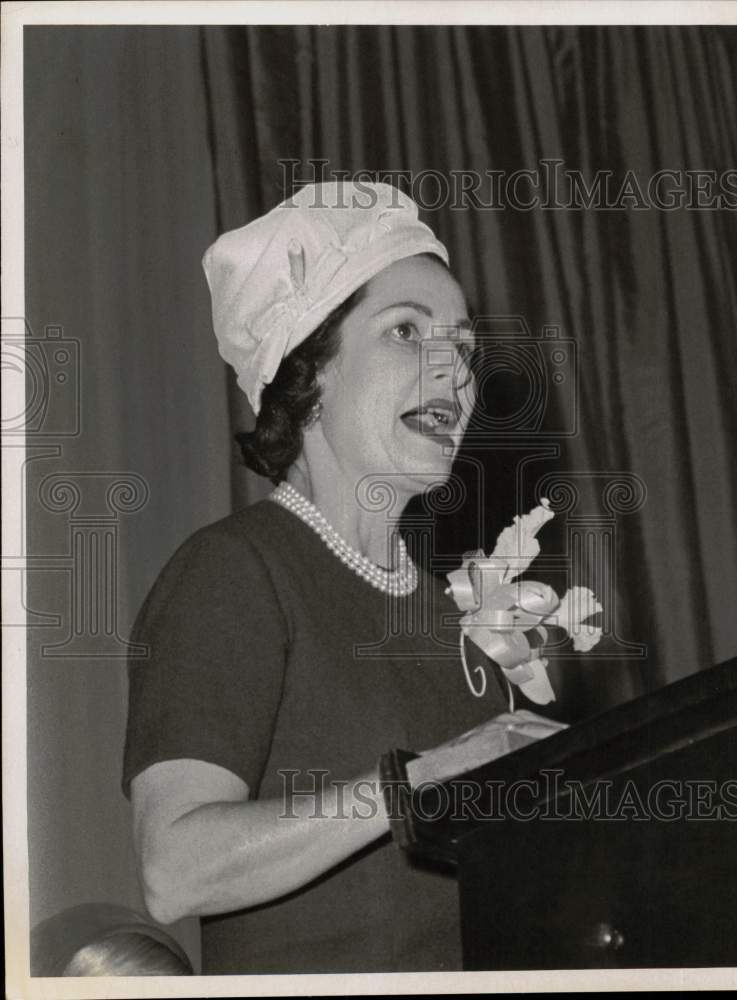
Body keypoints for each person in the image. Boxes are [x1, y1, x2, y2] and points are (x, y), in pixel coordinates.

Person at [122, 181, 562, 974]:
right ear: (309, 374)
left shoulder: (444, 614)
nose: (455, 373)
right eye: (406, 331)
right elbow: (174, 868)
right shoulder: (235, 571)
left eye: (463, 347)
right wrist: (424, 779)